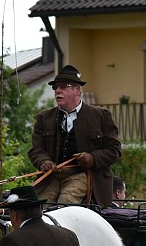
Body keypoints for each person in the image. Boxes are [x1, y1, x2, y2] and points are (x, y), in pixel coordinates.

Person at [29, 65, 122, 206]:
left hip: (84, 175)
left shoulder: (101, 116)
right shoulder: (44, 118)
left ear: (77, 90)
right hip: (51, 176)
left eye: (63, 87)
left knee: (65, 204)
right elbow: (36, 150)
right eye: (55, 88)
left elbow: (114, 150)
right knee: (40, 207)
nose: (58, 91)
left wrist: (92, 158)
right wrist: (43, 161)